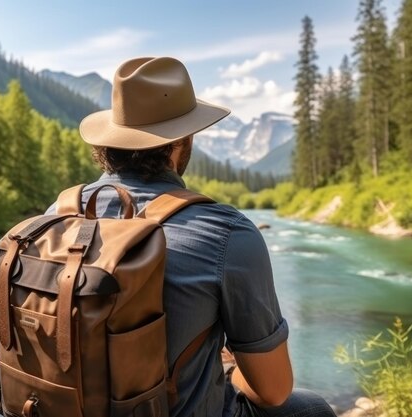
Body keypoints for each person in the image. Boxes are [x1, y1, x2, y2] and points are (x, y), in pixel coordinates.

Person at [46, 56, 335, 417]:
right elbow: (273, 391)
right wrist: (228, 370)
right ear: (181, 142)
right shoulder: (226, 233)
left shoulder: (56, 216)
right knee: (309, 409)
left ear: (109, 142)